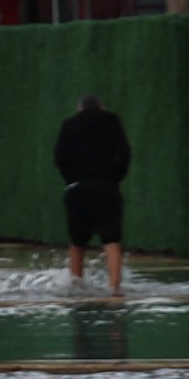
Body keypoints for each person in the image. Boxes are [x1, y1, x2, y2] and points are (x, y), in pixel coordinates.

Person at [55, 90, 133, 295]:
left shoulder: (69, 124)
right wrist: (114, 179)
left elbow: (60, 158)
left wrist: (71, 179)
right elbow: (124, 154)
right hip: (106, 186)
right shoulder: (113, 121)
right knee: (112, 239)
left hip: (78, 187)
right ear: (102, 107)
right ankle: (115, 287)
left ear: (79, 108)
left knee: (77, 241)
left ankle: (76, 284)